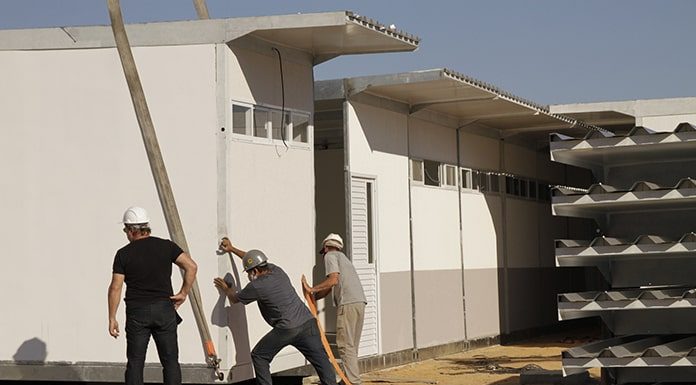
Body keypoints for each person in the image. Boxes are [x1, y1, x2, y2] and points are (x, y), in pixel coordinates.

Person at [213, 237, 336, 385]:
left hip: (287, 328)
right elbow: (251, 258)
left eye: (249, 272)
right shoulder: (277, 270)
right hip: (308, 323)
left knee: (259, 356)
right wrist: (232, 249)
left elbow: (234, 299)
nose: (248, 275)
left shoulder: (257, 286)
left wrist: (227, 289)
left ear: (256, 271)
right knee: (321, 361)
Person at [107, 206, 198, 385]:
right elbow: (191, 266)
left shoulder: (123, 254)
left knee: (135, 363)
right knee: (170, 362)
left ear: (132, 230)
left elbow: (115, 288)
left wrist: (112, 317)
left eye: (126, 229)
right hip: (164, 310)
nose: (126, 233)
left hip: (137, 312)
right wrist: (183, 293)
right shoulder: (166, 246)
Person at [303, 233, 366, 385]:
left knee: (345, 345)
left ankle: (353, 382)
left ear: (326, 247)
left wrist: (311, 289)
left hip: (348, 304)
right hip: (359, 303)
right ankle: (348, 380)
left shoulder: (330, 256)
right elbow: (331, 287)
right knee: (351, 345)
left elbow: (332, 280)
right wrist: (314, 297)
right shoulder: (344, 259)